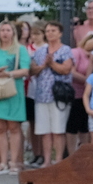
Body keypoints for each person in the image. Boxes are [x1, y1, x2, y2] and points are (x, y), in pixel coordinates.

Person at [0, 20, 30, 174]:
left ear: (13, 33)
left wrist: (9, 73)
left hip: (14, 91)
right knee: (0, 127)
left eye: (8, 30)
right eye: (2, 30)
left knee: (14, 127)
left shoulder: (20, 50)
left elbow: (25, 70)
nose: (5, 33)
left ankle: (14, 162)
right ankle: (2, 162)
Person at [31, 22, 76, 165]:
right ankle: (47, 161)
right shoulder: (39, 52)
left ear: (60, 33)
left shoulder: (66, 50)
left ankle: (58, 160)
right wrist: (43, 65)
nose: (50, 33)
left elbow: (66, 69)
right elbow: (32, 71)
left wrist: (51, 64)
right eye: (48, 30)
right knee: (45, 130)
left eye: (53, 30)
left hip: (58, 95)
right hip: (42, 95)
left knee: (58, 130)